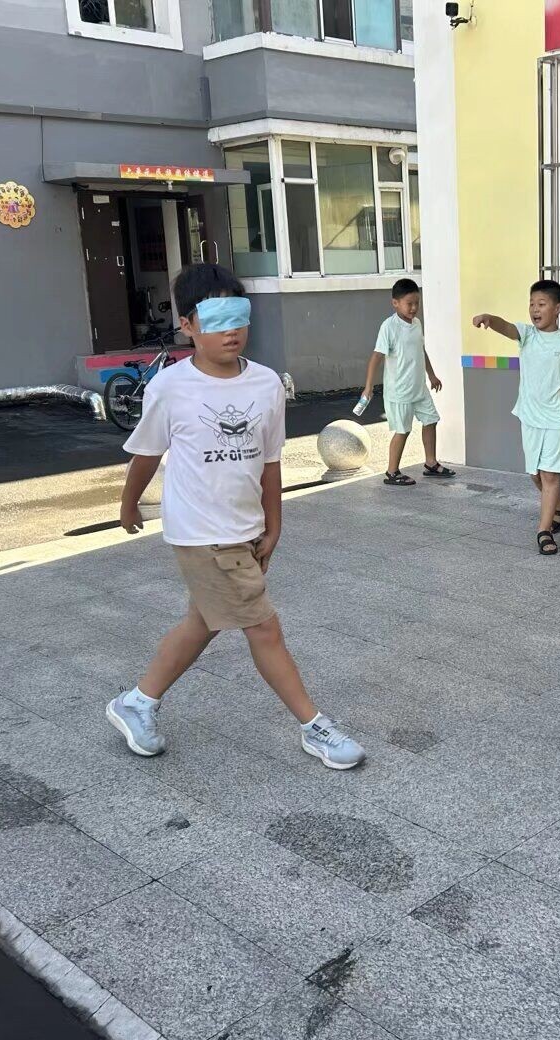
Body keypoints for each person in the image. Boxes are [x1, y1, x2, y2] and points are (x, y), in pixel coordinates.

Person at [105, 264, 365, 770]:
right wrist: (128, 503)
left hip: (244, 528)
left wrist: (274, 523)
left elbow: (270, 460)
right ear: (187, 325)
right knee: (264, 628)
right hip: (202, 532)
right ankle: (314, 727)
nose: (231, 331)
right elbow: (146, 453)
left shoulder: (266, 383)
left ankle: (136, 702)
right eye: (216, 319)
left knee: (203, 621)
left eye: (238, 316)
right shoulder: (171, 387)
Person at [472, 280, 560, 554]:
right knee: (536, 475)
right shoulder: (527, 335)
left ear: (558, 308)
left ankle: (544, 531)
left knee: (550, 475)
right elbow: (506, 326)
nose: (535, 310)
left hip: (557, 419)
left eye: (541, 304)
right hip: (530, 418)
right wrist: (489, 318)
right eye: (532, 304)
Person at [362, 278, 454, 486]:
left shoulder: (417, 324)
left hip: (419, 388)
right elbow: (376, 357)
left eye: (417, 303)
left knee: (431, 420)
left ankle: (431, 463)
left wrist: (432, 375)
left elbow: (420, 350)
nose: (414, 308)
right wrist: (368, 386)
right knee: (403, 430)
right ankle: (392, 472)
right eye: (409, 303)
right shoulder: (389, 327)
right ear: (395, 303)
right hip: (400, 391)